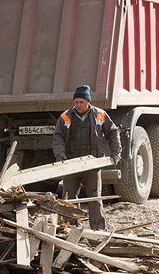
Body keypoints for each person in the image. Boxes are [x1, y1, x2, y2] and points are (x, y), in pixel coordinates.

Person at [52, 84, 122, 231]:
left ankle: (98, 228)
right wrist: (60, 155)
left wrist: (116, 153)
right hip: (71, 164)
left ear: (88, 102)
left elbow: (113, 133)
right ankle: (71, 227)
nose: (78, 105)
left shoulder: (100, 114)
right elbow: (57, 136)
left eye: (81, 102)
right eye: (76, 102)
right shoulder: (65, 116)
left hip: (92, 164)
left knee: (95, 197)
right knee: (68, 197)